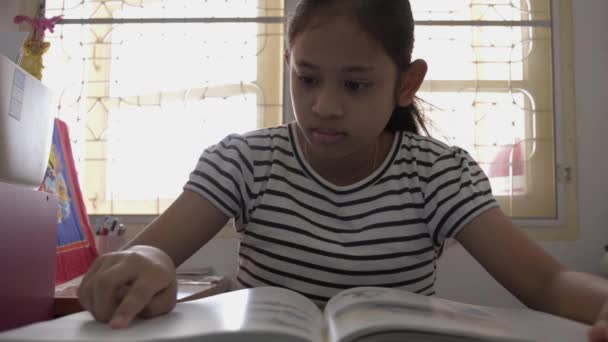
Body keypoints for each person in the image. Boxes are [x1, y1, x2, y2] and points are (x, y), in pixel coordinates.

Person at [77, 1, 608, 340]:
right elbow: (148, 253)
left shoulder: (439, 173)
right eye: (307, 79)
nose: (324, 106)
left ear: (406, 84)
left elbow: (548, 281)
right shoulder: (244, 160)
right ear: (289, 66)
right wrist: (143, 261)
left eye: (355, 85)